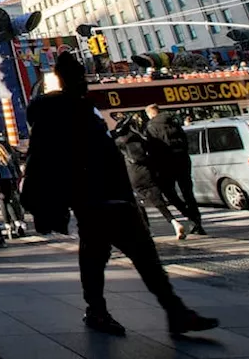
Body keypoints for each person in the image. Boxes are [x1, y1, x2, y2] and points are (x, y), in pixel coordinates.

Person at [22, 52, 218, 336]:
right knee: (124, 257)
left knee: (111, 257)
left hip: (105, 195)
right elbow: (43, 161)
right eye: (79, 76)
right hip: (94, 195)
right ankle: (164, 311)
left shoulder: (76, 109)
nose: (85, 81)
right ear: (67, 80)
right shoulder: (63, 113)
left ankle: (158, 311)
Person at [114, 118, 187, 240]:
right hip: (148, 172)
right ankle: (174, 222)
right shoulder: (140, 138)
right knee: (158, 201)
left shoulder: (119, 142)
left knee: (138, 202)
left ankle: (146, 229)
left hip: (133, 173)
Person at [144, 104, 204, 235]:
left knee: (169, 193)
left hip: (166, 164)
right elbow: (185, 140)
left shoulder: (151, 127)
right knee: (188, 193)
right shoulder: (174, 122)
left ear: (150, 114)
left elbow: (154, 148)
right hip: (183, 161)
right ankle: (197, 222)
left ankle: (189, 216)